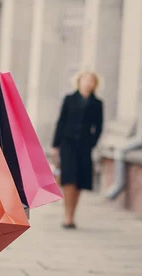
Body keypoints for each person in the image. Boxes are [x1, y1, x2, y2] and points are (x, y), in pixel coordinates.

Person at [51, 71, 103, 229]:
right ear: (79, 82)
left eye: (92, 81)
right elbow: (61, 122)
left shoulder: (97, 103)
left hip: (84, 147)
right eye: (86, 80)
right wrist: (55, 146)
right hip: (68, 145)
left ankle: (72, 215)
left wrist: (92, 142)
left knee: (80, 180)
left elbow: (99, 127)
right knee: (68, 179)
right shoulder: (69, 99)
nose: (89, 83)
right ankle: (67, 216)